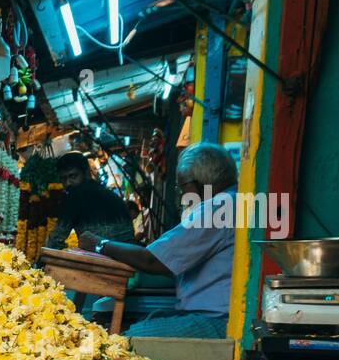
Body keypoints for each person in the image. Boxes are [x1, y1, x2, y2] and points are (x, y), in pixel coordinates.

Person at [79, 142, 238, 339]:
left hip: (216, 321)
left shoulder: (218, 208)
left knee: (130, 340)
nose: (182, 194)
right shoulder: (231, 201)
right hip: (208, 314)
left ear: (202, 182)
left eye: (183, 187)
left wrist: (100, 244)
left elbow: (152, 260)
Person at [45, 151, 134, 250]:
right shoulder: (108, 193)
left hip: (103, 259)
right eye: (63, 179)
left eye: (73, 176)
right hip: (128, 256)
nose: (68, 183)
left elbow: (54, 242)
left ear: (86, 173)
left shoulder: (74, 197)